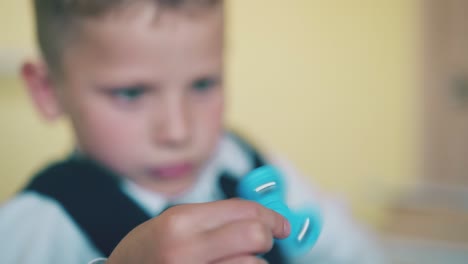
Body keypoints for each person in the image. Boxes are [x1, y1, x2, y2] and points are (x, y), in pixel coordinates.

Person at [0, 0, 385, 263]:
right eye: (131, 93)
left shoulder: (244, 162)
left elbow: (352, 249)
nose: (178, 131)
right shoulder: (36, 225)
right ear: (47, 91)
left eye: (202, 85)